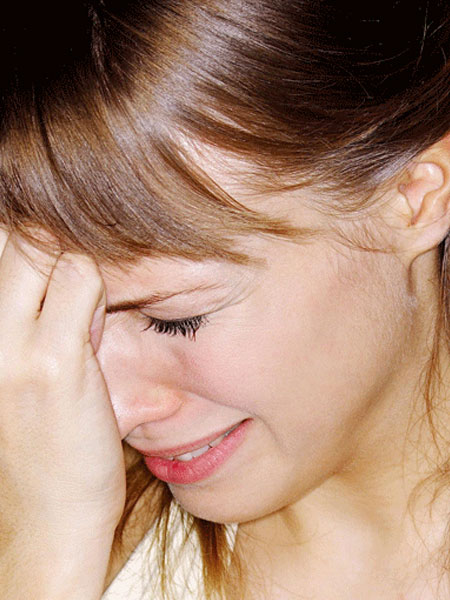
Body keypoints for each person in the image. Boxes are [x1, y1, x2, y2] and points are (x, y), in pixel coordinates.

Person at [0, 1, 449, 598]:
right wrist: (44, 550)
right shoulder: (51, 505)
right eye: (58, 320)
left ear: (414, 199)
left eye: (175, 321)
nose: (115, 412)